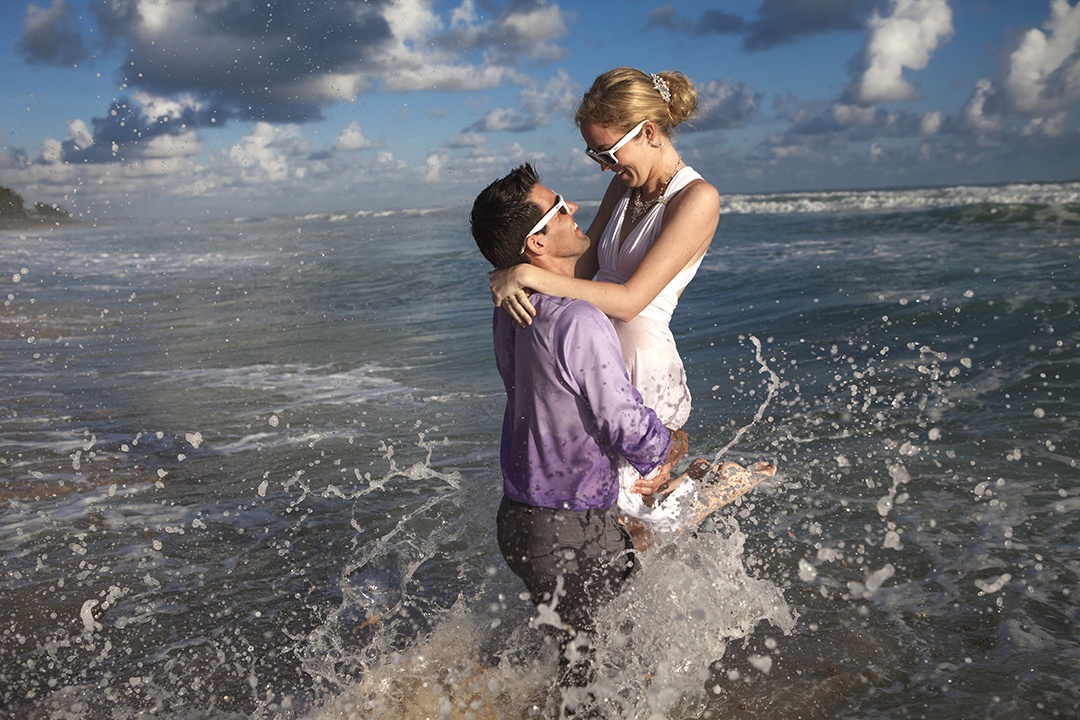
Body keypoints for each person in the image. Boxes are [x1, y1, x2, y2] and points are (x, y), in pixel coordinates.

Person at [489, 67, 774, 535]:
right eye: (593, 152)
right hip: (600, 352)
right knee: (615, 504)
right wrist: (514, 272)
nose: (602, 166)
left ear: (647, 132)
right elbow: (581, 269)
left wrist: (524, 273)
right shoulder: (624, 185)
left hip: (642, 352)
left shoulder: (698, 199)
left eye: (606, 152)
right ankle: (696, 485)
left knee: (630, 514)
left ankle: (713, 490)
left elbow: (630, 299)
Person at [469, 163, 688, 695]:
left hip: (520, 521)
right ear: (537, 242)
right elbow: (623, 423)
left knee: (582, 664)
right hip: (569, 529)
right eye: (560, 207)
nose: (574, 211)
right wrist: (669, 442)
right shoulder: (578, 319)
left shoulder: (510, 308)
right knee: (599, 676)